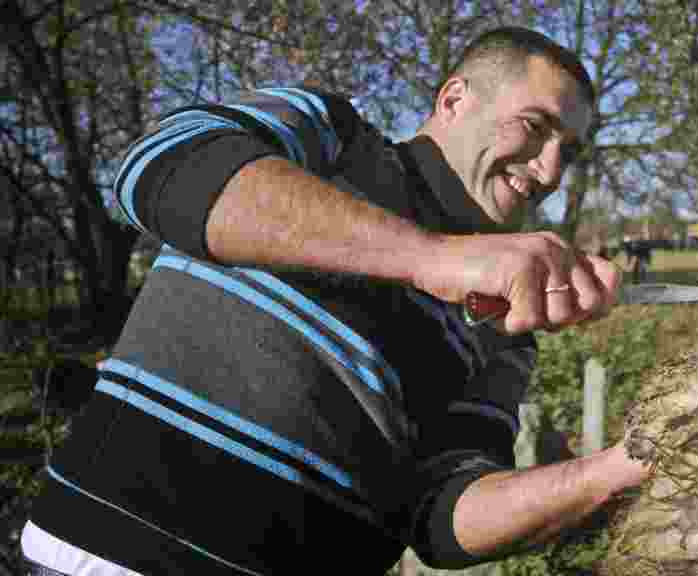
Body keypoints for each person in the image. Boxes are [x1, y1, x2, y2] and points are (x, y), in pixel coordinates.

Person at [19, 26, 652, 576]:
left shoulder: (507, 324)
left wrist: (628, 465)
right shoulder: (335, 139)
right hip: (119, 558)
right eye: (535, 128)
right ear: (454, 99)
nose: (547, 171)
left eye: (566, 152)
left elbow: (440, 515)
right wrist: (435, 257)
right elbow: (157, 167)